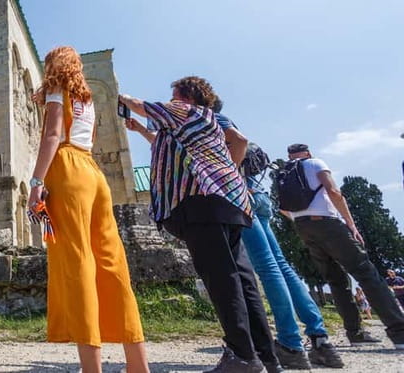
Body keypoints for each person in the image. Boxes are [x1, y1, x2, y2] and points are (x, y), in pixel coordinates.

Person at [121, 76, 280, 373]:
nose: (172, 99)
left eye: (175, 95)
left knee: (221, 280)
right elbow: (171, 144)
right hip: (229, 202)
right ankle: (266, 358)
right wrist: (142, 130)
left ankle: (242, 356)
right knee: (243, 280)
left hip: (200, 201)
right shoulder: (205, 122)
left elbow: (140, 105)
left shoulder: (185, 111)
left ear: (187, 96)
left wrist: (121, 97)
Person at [29, 46, 149, 373]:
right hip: (94, 172)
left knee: (77, 260)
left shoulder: (57, 89)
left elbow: (54, 134)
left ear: (54, 66)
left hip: (67, 169)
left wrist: (36, 181)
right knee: (112, 263)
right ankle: (137, 363)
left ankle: (91, 367)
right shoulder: (88, 99)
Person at [210, 104, 343, 370]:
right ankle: (319, 339)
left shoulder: (210, 120)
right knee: (281, 265)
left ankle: (291, 344)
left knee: (267, 269)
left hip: (242, 195)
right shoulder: (227, 119)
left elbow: (237, 146)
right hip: (259, 195)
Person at [285, 143, 404, 350]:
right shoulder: (314, 163)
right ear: (308, 152)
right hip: (327, 223)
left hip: (303, 227)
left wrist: (301, 221)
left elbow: (283, 209)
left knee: (336, 280)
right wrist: (350, 224)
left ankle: (354, 332)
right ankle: (399, 331)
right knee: (366, 273)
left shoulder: (284, 172)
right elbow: (333, 191)